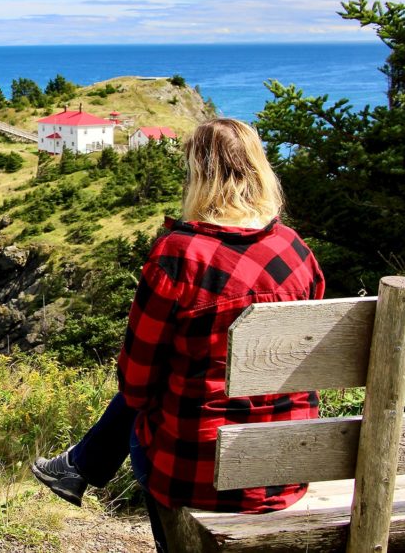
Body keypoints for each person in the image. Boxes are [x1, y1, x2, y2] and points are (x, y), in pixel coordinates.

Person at [32, 118, 324, 552]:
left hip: (196, 470)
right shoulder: (294, 250)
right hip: (284, 466)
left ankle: (81, 466)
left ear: (197, 172)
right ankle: (79, 465)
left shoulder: (180, 255)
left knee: (147, 395)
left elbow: (136, 381)